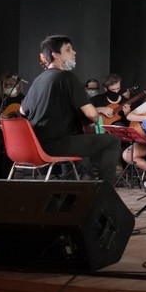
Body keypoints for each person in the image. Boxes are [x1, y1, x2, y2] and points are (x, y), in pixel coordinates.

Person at [20, 35, 121, 183]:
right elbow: (92, 115)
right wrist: (98, 115)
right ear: (55, 55)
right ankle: (105, 192)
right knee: (112, 141)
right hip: (56, 145)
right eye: (68, 49)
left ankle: (69, 188)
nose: (74, 52)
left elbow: (22, 111)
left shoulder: (38, 80)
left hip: (35, 144)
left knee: (73, 137)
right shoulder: (67, 77)